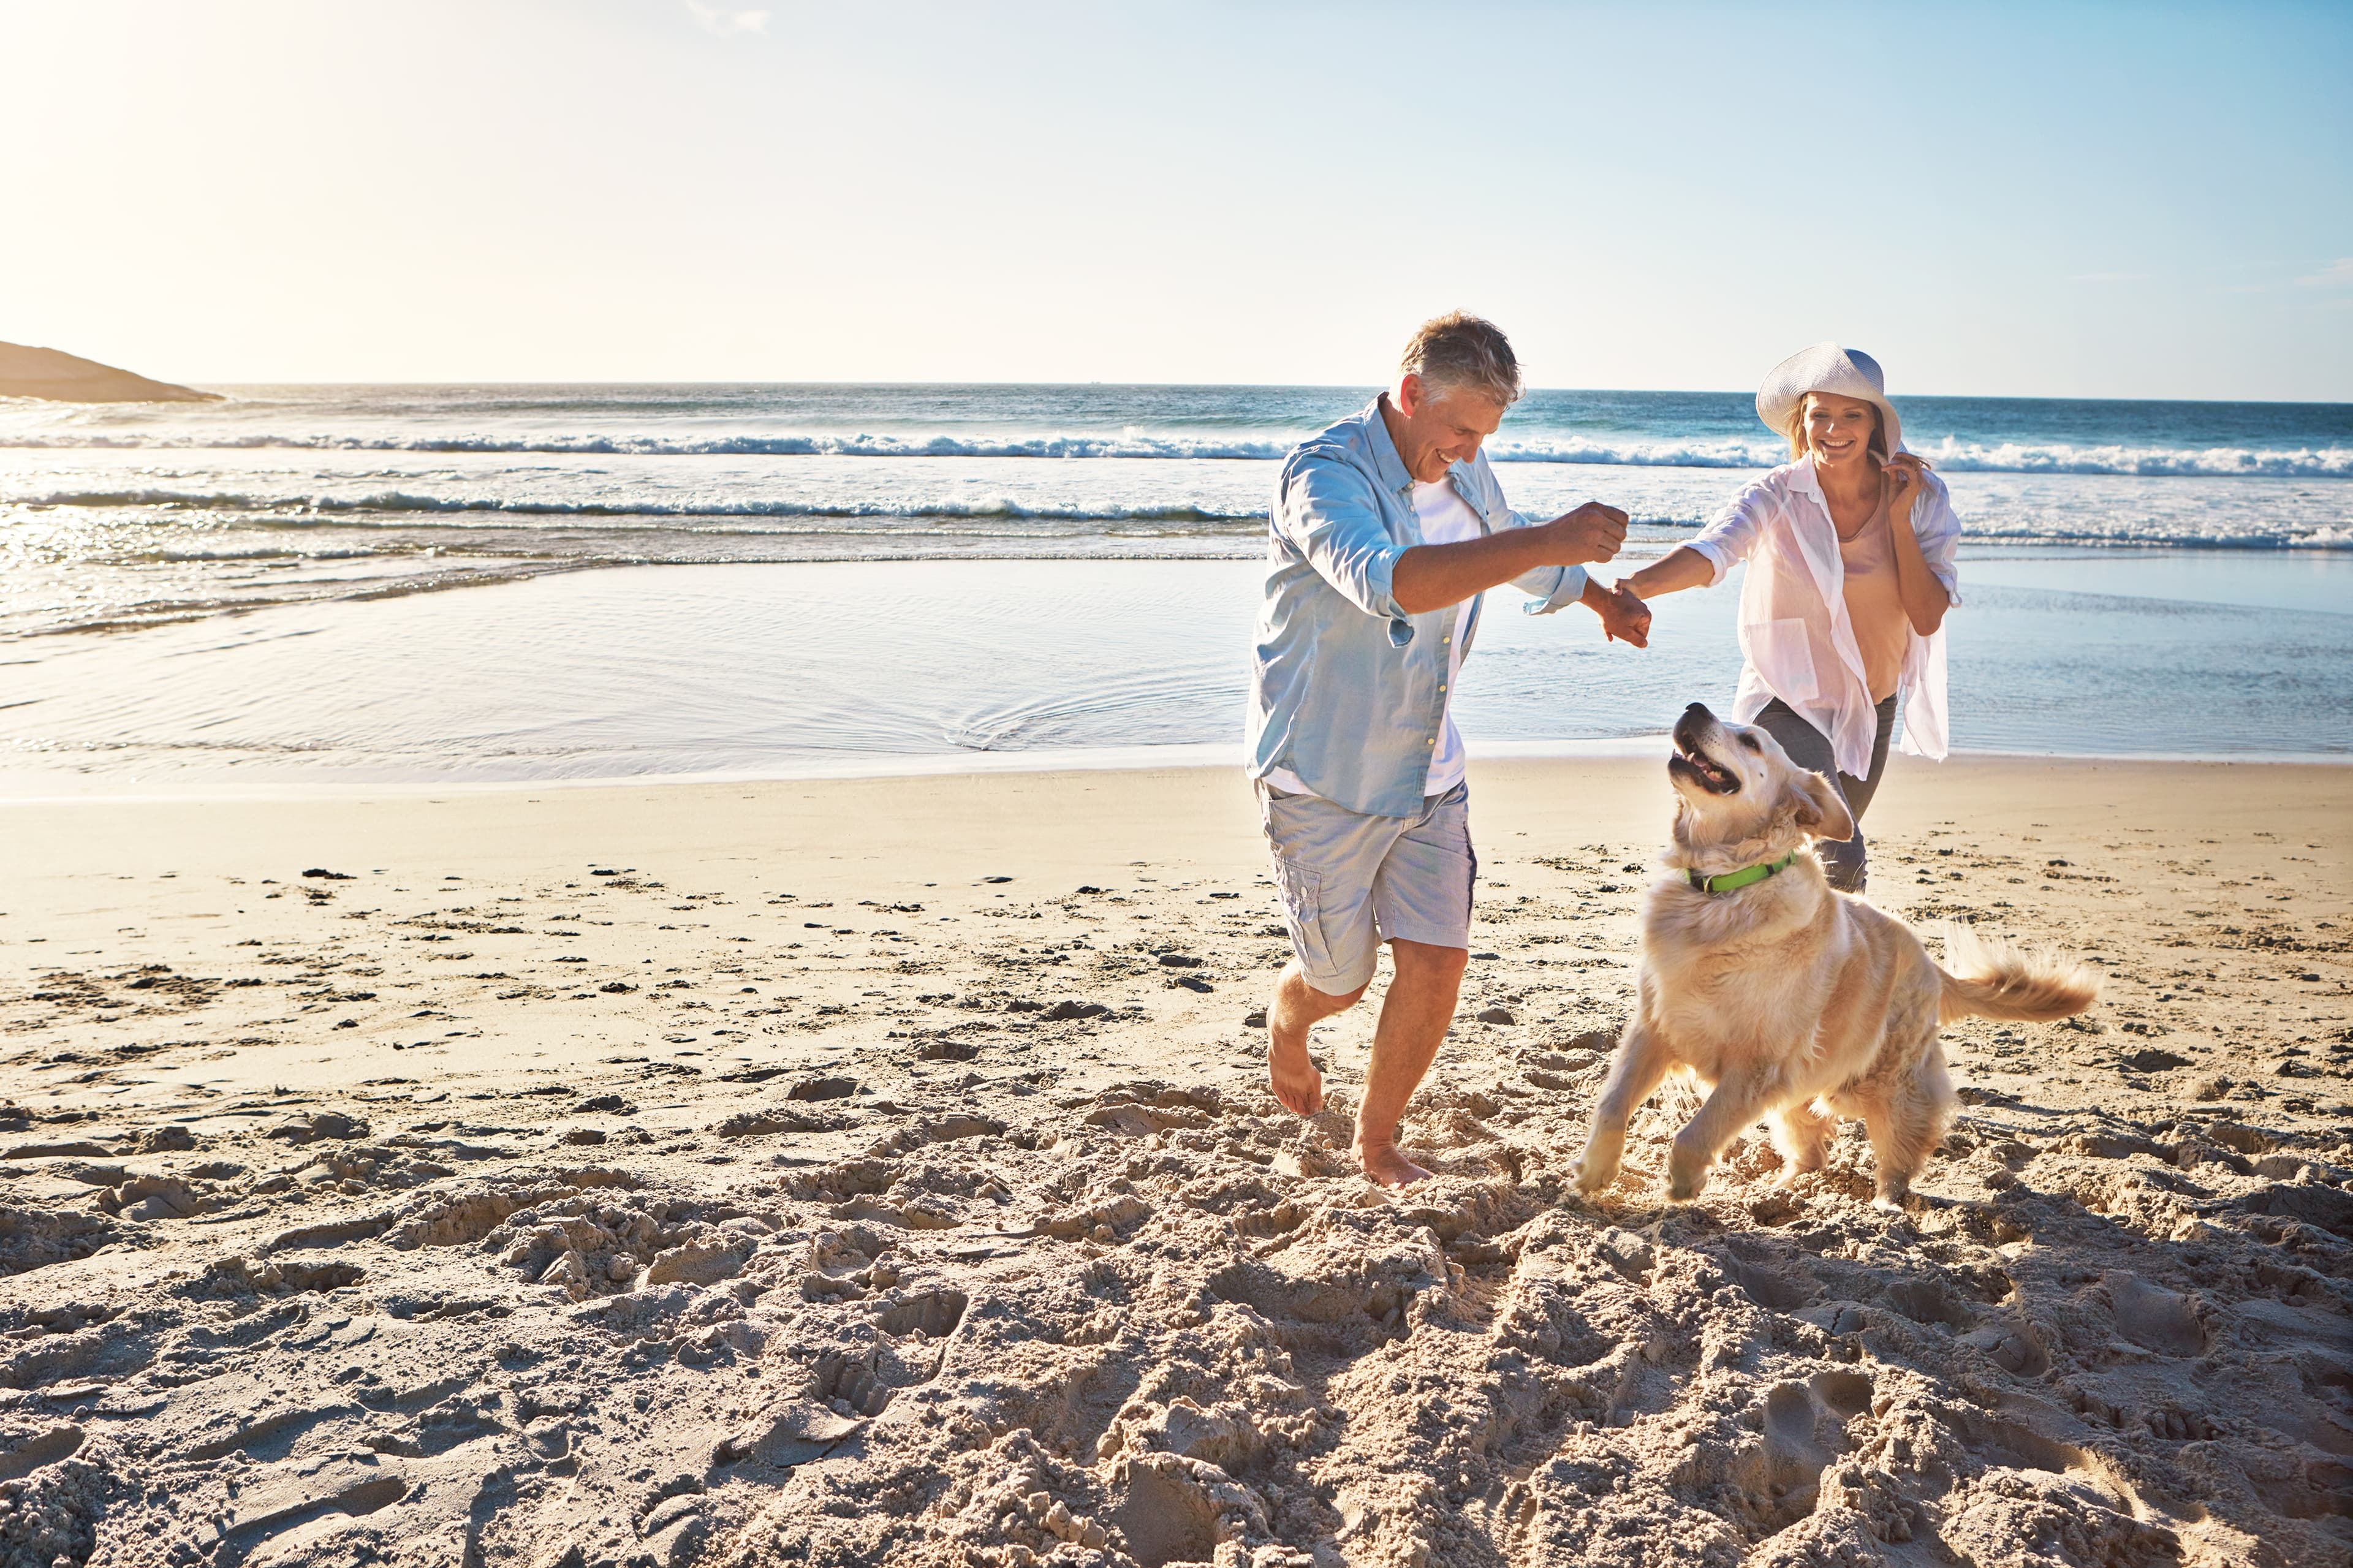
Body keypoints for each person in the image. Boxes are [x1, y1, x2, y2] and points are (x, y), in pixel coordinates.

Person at [1247, 312, 1650, 1186]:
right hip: (1324, 775)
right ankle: (1289, 1014)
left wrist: (1597, 598)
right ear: (1409, 395)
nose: (1470, 451)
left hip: (1430, 765)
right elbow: (1390, 582)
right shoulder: (1324, 477)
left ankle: (1376, 1141)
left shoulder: (1465, 471)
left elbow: (1509, 554)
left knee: (1438, 963)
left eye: (1486, 435)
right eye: (1461, 430)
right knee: (1341, 981)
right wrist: (1548, 539)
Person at [1610, 343, 1960, 892]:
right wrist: (1634, 588)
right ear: (1802, 420)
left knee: (1806, 862)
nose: (1834, 429)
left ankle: (1774, 959)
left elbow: (1926, 614)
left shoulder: (1922, 500)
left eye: (1852, 415)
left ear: (1875, 424)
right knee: (1840, 857)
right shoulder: (1775, 494)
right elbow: (1713, 551)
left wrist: (1897, 519)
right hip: (1788, 699)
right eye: (1820, 413)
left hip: (1873, 704)